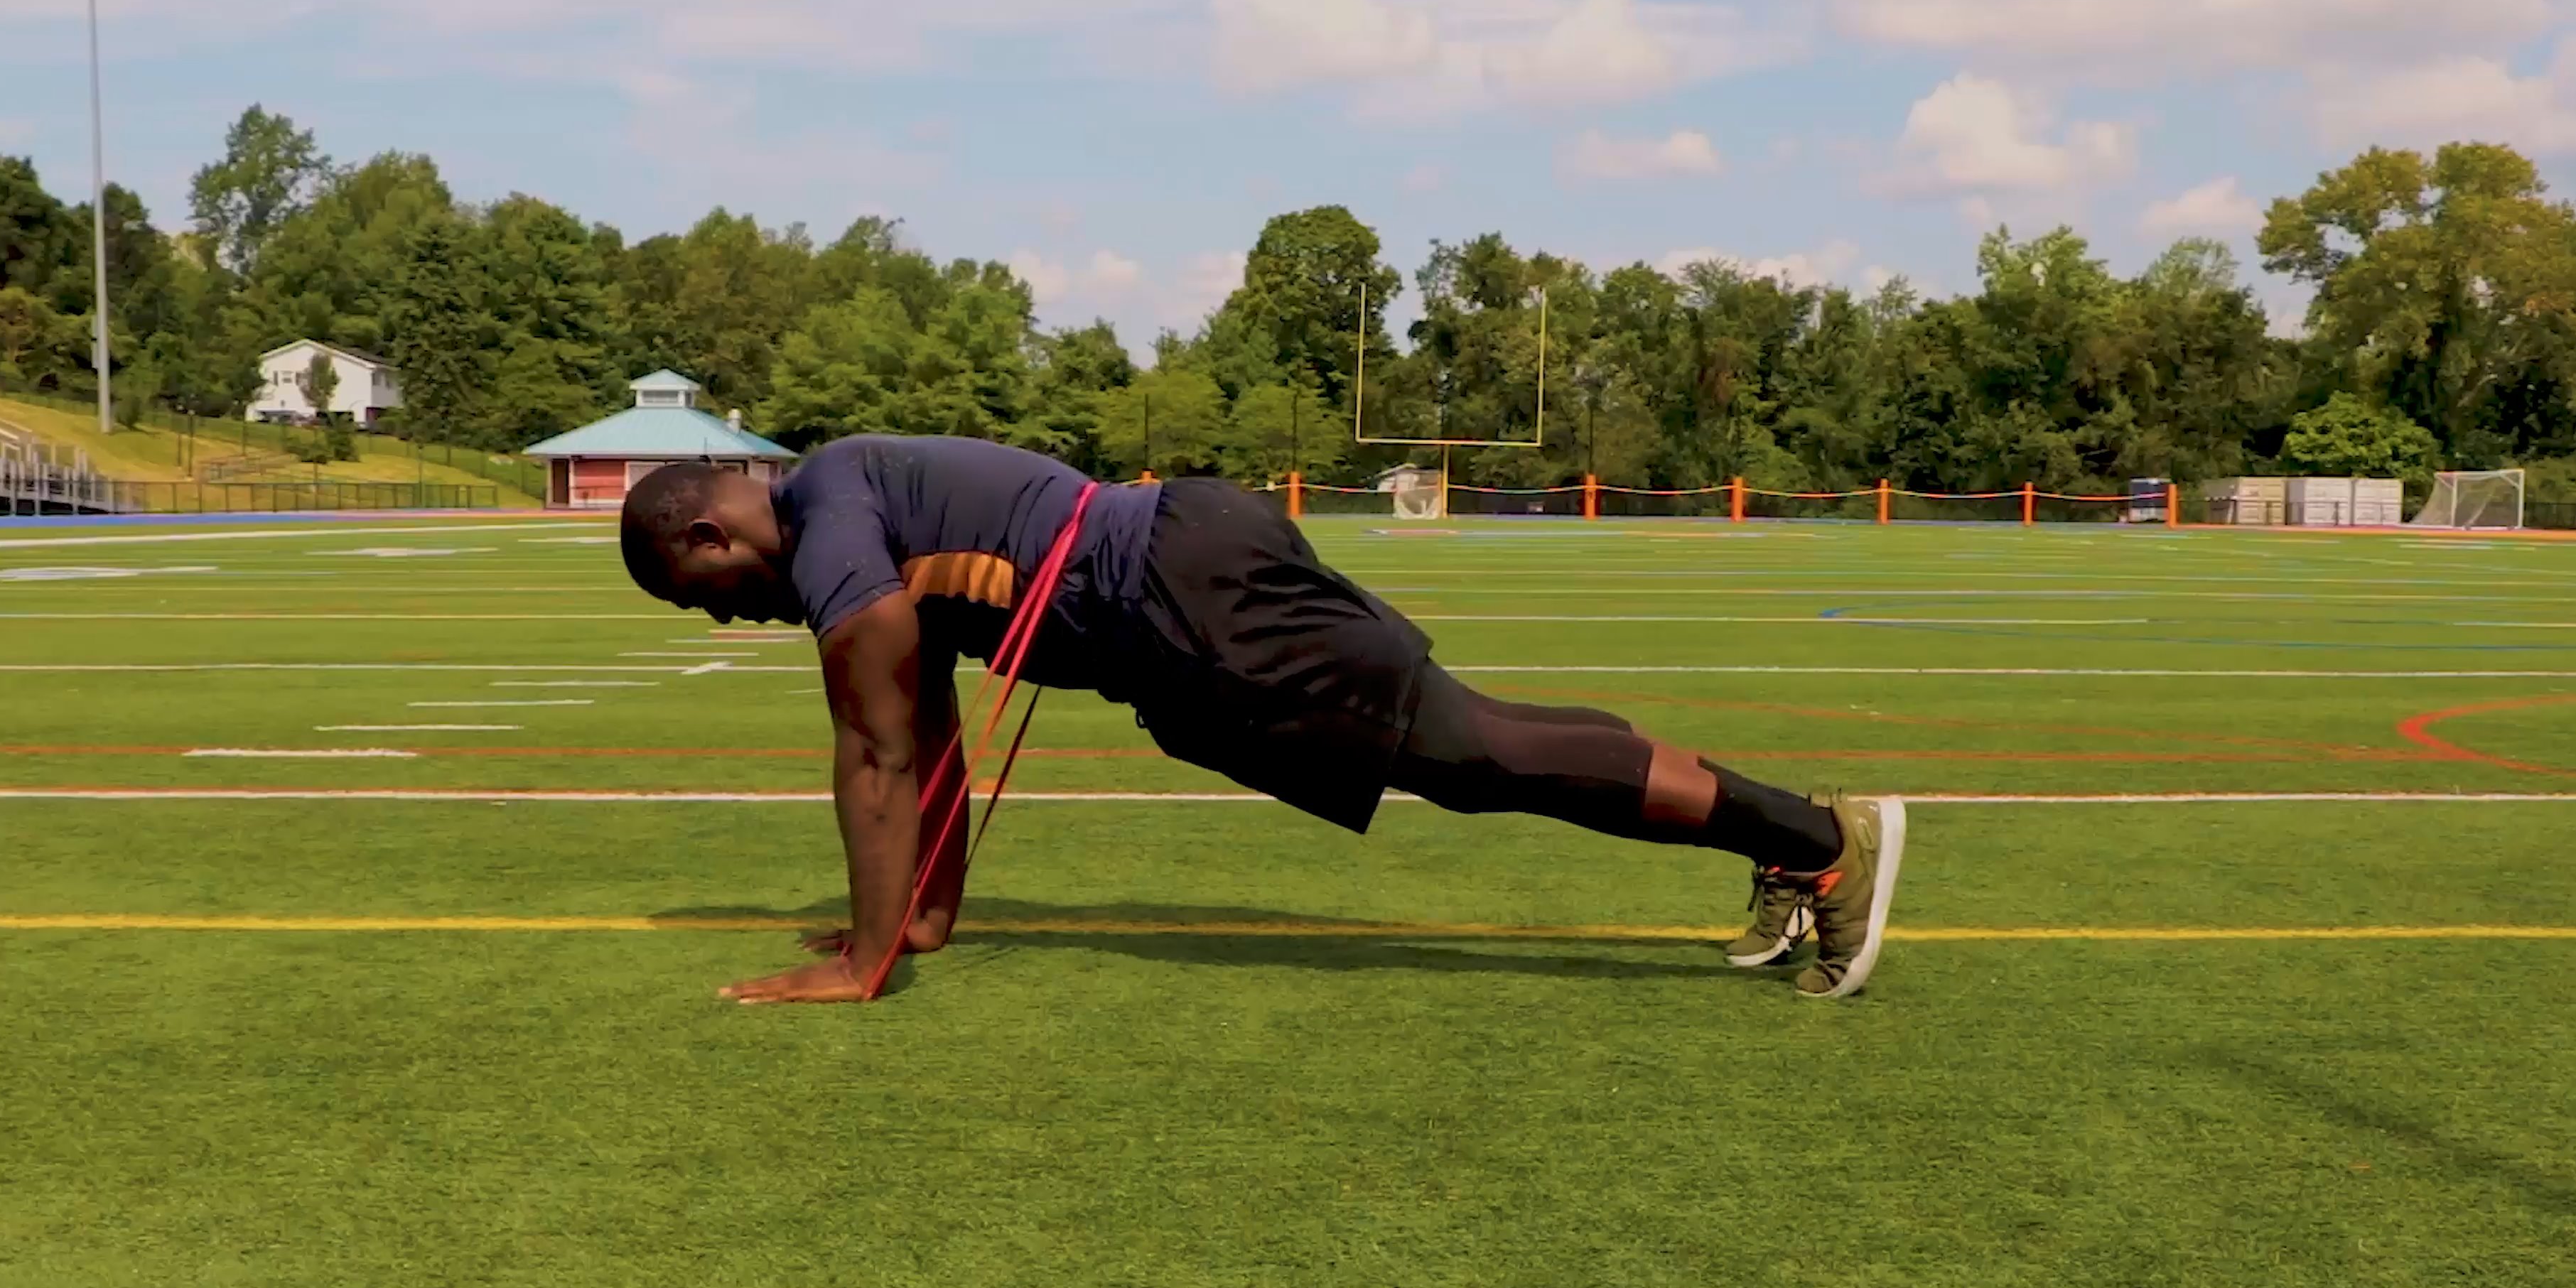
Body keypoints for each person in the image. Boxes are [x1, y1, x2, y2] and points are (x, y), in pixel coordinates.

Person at [618, 436, 1904, 1005]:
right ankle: (1792, 842)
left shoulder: (835, 508)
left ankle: (1818, 837)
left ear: (709, 531)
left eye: (708, 598)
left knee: (1474, 751)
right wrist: (918, 918)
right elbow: (931, 734)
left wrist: (861, 964)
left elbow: (877, 746)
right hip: (1184, 590)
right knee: (1475, 749)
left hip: (1188, 587)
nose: (732, 623)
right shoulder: (862, 513)